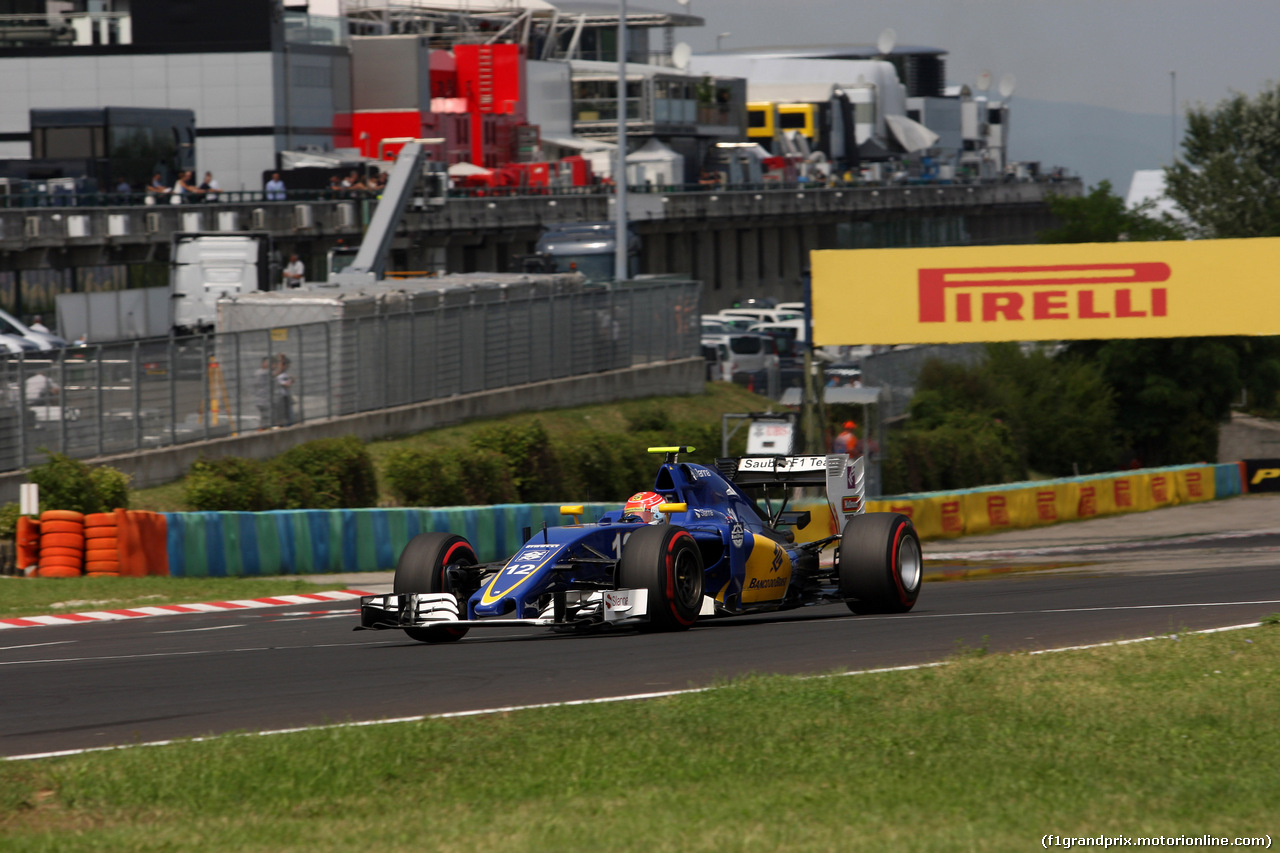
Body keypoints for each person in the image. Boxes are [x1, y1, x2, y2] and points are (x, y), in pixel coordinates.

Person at [274, 353, 294, 426]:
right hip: (281, 397)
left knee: (288, 414)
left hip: (285, 396)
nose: (287, 367)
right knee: (284, 415)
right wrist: (290, 381)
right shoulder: (278, 375)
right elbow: (286, 384)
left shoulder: (284, 374)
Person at [254, 357, 273, 430]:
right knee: (267, 417)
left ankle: (262, 430)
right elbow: (276, 372)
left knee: (264, 418)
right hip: (263, 401)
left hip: (262, 400)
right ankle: (262, 430)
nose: (268, 364)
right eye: (267, 362)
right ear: (262, 363)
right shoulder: (263, 372)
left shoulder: (258, 372)